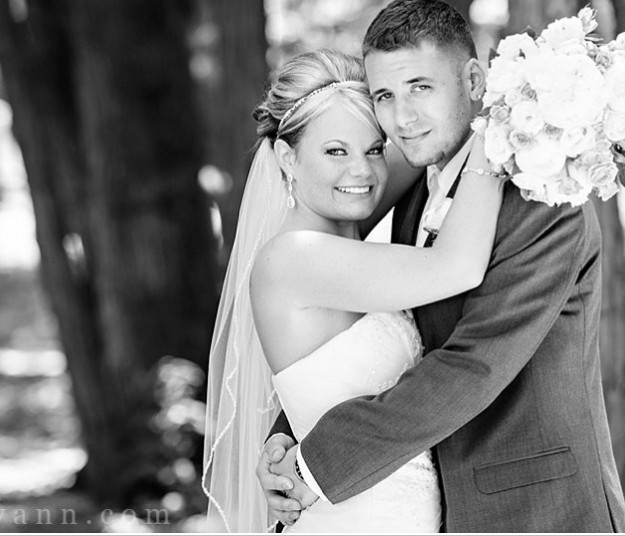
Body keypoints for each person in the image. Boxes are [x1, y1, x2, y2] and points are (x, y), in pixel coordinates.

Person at [257, 0, 625, 533]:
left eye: (421, 88)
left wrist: (311, 464)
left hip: (536, 511)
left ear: (475, 81)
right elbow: (349, 339)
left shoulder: (543, 200)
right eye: (384, 95)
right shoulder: (410, 195)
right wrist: (289, 429)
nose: (402, 118)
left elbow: (471, 364)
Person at [202, 47, 505, 532]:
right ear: (287, 157)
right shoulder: (293, 258)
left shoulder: (342, 222)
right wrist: (505, 129)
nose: (361, 172)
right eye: (335, 151)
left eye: (372, 149)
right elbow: (458, 267)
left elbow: (426, 141)